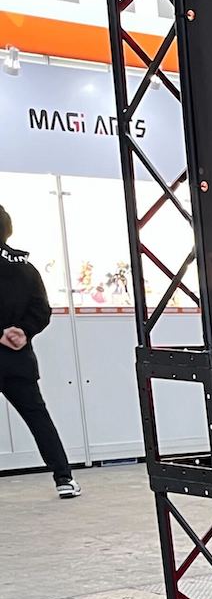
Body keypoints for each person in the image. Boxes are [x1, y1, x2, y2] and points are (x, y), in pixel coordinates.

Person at [0, 206, 80, 498]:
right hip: (17, 358)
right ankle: (64, 479)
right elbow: (42, 309)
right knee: (38, 419)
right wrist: (23, 330)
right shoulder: (26, 267)